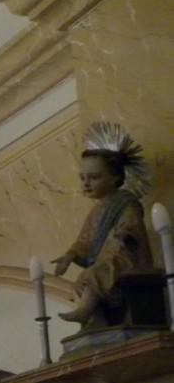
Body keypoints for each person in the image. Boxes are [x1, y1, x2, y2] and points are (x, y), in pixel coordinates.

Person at [52, 122, 155, 327]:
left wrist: (121, 238)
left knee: (93, 274)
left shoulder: (126, 202)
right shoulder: (96, 211)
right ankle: (96, 320)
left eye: (94, 177)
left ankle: (85, 311)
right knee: (81, 281)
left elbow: (131, 230)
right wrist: (70, 255)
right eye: (83, 178)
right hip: (106, 260)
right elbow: (85, 240)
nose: (86, 183)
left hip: (126, 258)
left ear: (115, 177)